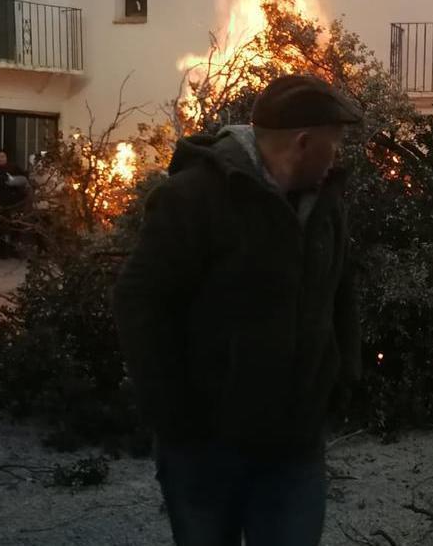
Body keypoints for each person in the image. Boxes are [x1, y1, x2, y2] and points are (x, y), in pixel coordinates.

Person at [113, 75, 361, 546]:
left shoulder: (326, 202)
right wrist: (174, 415)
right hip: (206, 445)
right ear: (304, 143)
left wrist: (342, 376)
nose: (337, 157)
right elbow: (139, 301)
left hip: (295, 442)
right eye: (334, 144)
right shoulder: (194, 197)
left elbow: (341, 288)